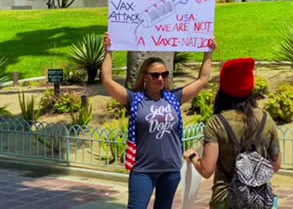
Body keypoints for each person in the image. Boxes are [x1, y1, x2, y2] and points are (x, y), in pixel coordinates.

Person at [101, 33, 217, 209]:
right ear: (145, 77)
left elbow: (202, 80)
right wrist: (108, 51)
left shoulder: (174, 98)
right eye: (155, 75)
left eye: (164, 74)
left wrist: (208, 52)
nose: (161, 78)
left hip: (170, 169)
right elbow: (108, 81)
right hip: (143, 170)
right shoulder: (135, 99)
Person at [183, 58, 281, 209]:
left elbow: (206, 170)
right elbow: (275, 164)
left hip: (225, 199)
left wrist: (193, 156)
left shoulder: (216, 122)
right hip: (259, 200)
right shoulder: (266, 119)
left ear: (223, 89)